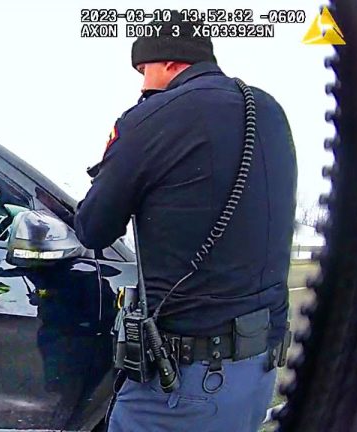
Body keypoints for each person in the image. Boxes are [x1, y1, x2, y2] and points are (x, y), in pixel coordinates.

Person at [74, 11, 297, 432]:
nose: (141, 82)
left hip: (186, 383)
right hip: (258, 370)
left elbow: (94, 228)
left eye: (144, 69)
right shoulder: (269, 110)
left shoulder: (154, 116)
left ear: (171, 63)